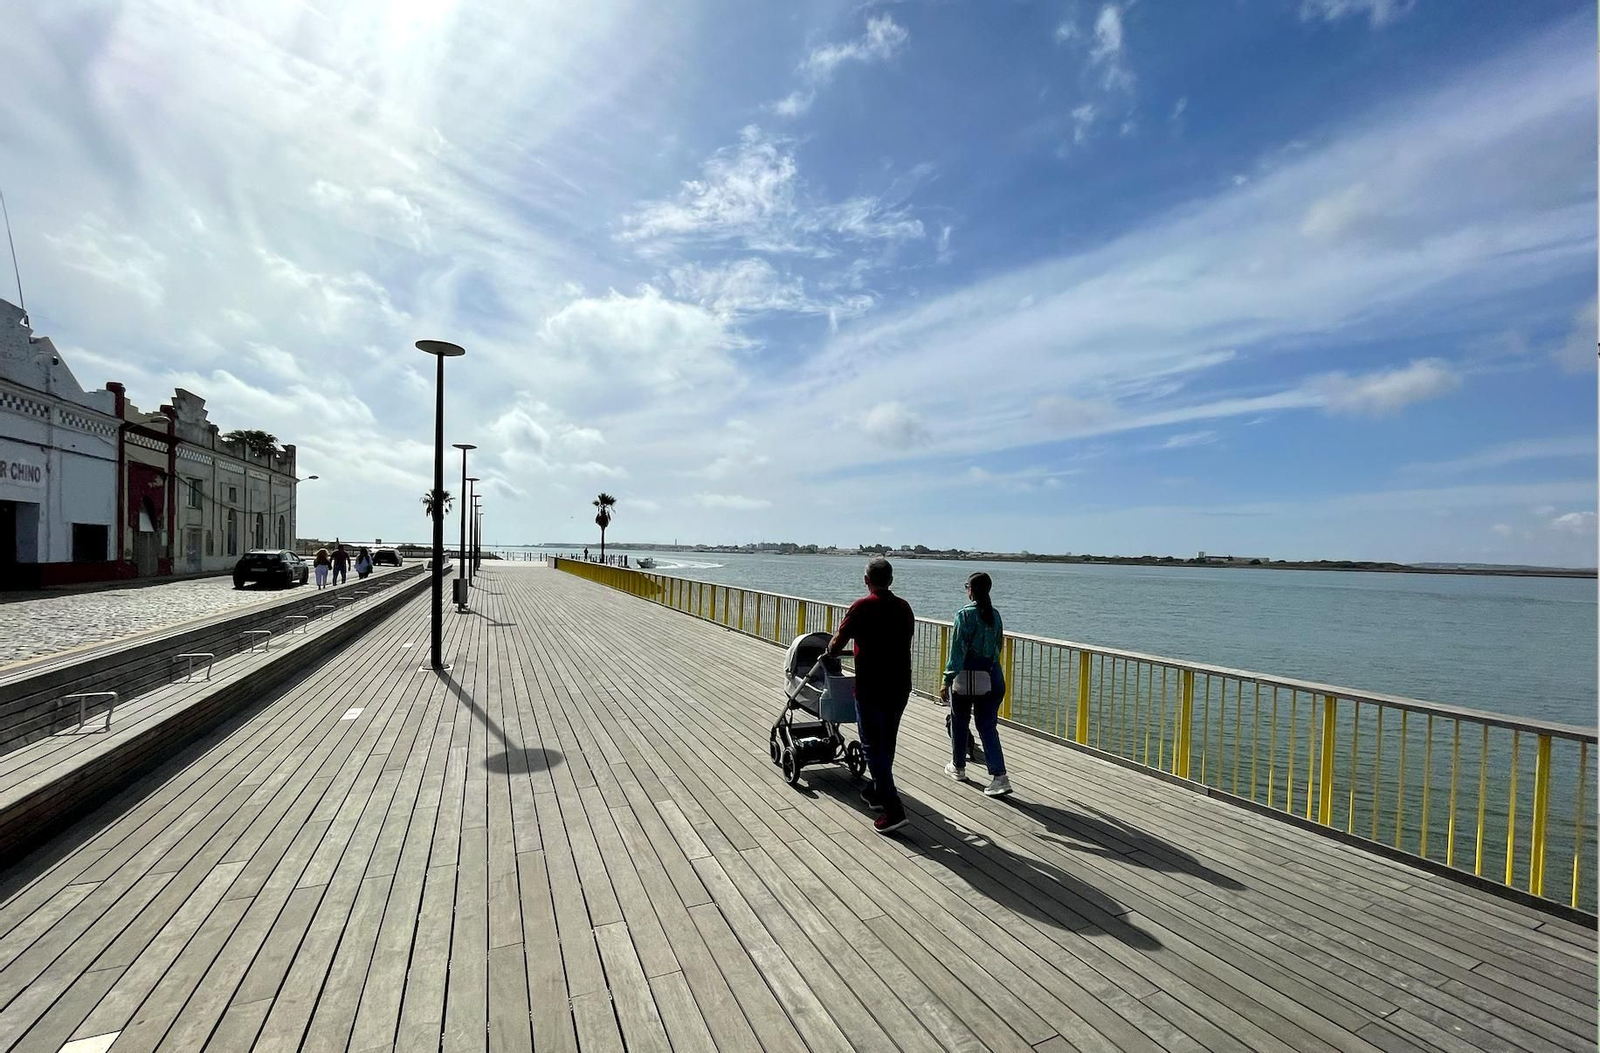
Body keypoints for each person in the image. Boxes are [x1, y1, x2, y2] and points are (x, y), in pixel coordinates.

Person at [823, 558, 916, 834]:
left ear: (867, 580)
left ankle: (893, 807)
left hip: (872, 685)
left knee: (872, 745)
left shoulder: (862, 607)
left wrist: (830, 651)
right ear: (891, 579)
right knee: (887, 740)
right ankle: (877, 790)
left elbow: (838, 641)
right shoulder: (904, 608)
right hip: (900, 684)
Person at [941, 571, 1012, 796]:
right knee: (987, 726)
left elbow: (957, 651)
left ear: (971, 589)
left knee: (960, 721)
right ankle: (1000, 776)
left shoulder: (964, 615)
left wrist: (946, 680)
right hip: (992, 677)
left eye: (966, 586)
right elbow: (998, 647)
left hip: (967, 679)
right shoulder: (996, 615)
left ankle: (958, 767)